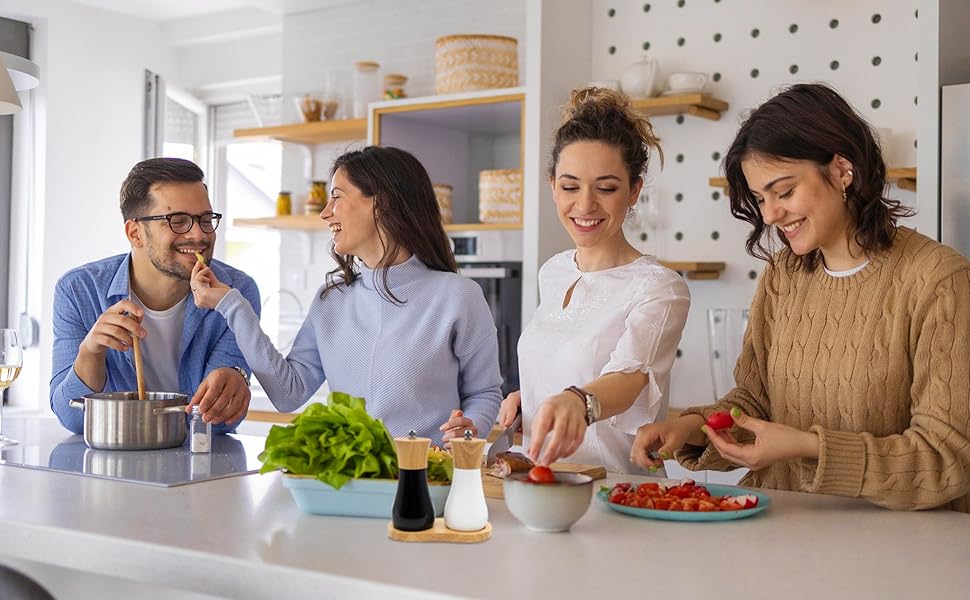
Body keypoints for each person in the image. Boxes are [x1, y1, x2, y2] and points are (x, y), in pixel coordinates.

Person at [631, 83, 970, 512]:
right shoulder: (783, 275)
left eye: (784, 191)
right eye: (760, 198)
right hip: (783, 530)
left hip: (898, 553)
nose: (770, 215)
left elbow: (946, 458)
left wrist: (808, 447)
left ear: (842, 168)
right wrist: (694, 426)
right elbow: (754, 401)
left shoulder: (938, 280)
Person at [190, 146, 503, 447]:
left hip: (428, 482)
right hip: (354, 484)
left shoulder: (458, 297)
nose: (326, 213)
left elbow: (485, 393)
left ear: (380, 203)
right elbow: (289, 393)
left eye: (336, 198)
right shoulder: (331, 301)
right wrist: (231, 304)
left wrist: (469, 429)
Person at [497, 87, 690, 472]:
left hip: (618, 490)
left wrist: (575, 401)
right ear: (552, 185)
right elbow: (565, 358)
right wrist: (529, 398)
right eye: (570, 187)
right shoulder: (553, 272)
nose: (585, 205)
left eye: (606, 188)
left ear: (634, 191)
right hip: (545, 485)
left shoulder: (659, 287)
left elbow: (626, 379)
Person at [51, 158, 260, 435]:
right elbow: (72, 418)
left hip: (200, 469)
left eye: (205, 219)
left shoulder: (237, 292)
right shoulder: (78, 291)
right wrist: (91, 352)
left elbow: (215, 424)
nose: (198, 234)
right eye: (178, 221)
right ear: (135, 233)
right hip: (112, 467)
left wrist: (233, 380)